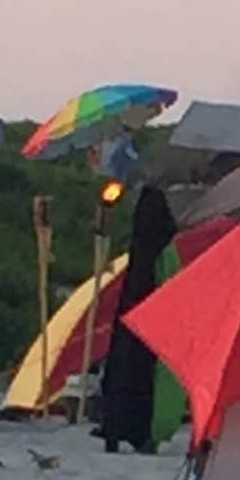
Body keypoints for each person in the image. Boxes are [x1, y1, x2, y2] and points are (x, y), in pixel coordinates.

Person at [94, 180, 175, 455]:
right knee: (145, 381)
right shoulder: (164, 249)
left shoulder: (140, 248)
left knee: (122, 373)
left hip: (130, 323)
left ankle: (115, 429)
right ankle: (143, 434)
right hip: (153, 325)